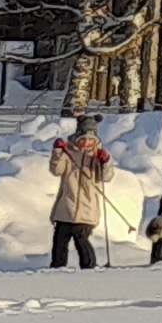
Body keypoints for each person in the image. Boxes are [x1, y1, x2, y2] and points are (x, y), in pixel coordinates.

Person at [47, 115, 113, 269]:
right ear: (77, 137)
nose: (86, 142)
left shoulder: (97, 156)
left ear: (95, 140)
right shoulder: (68, 153)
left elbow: (106, 177)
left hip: (87, 209)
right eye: (83, 139)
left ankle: (89, 267)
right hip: (65, 207)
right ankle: (57, 268)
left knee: (81, 239)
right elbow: (56, 170)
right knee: (59, 241)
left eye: (90, 139)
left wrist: (105, 163)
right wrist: (57, 152)